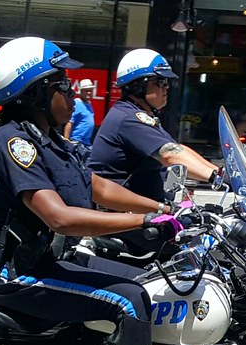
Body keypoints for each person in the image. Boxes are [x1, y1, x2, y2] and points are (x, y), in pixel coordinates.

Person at [0, 36, 207, 345]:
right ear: (37, 92)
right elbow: (60, 216)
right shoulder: (13, 143)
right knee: (128, 303)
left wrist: (168, 207)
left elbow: (96, 186)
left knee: (149, 284)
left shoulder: (50, 141)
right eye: (63, 85)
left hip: (44, 260)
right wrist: (144, 221)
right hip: (10, 272)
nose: (72, 93)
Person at [88, 48, 221, 259]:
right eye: (160, 82)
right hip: (129, 220)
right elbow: (170, 155)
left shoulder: (141, 116)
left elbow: (177, 148)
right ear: (137, 86)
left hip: (149, 213)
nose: (166, 87)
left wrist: (223, 173)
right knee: (205, 249)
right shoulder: (129, 119)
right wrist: (217, 178)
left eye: (166, 83)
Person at [62, 78, 95, 145]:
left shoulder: (89, 104)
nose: (89, 93)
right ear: (81, 91)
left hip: (87, 143)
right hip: (76, 142)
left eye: (90, 91)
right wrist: (66, 142)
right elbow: (69, 123)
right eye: (87, 91)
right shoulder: (77, 104)